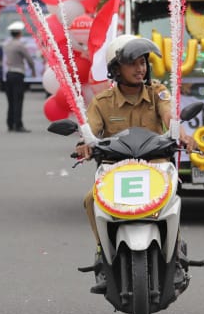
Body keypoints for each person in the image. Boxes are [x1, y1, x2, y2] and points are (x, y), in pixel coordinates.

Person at [77, 36, 182, 293]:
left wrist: (181, 133)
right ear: (115, 69)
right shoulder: (102, 103)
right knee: (91, 199)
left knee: (175, 198)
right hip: (116, 170)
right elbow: (91, 131)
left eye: (143, 62)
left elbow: (169, 114)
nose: (140, 69)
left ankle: (176, 254)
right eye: (132, 63)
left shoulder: (158, 93)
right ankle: (103, 252)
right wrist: (85, 144)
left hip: (156, 169)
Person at [1, 23, 33, 132]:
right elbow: (29, 59)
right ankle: (18, 124)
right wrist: (33, 70)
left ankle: (10, 124)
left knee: (10, 100)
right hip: (18, 74)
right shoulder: (20, 45)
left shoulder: (7, 45)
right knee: (18, 100)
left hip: (8, 74)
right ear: (19, 33)